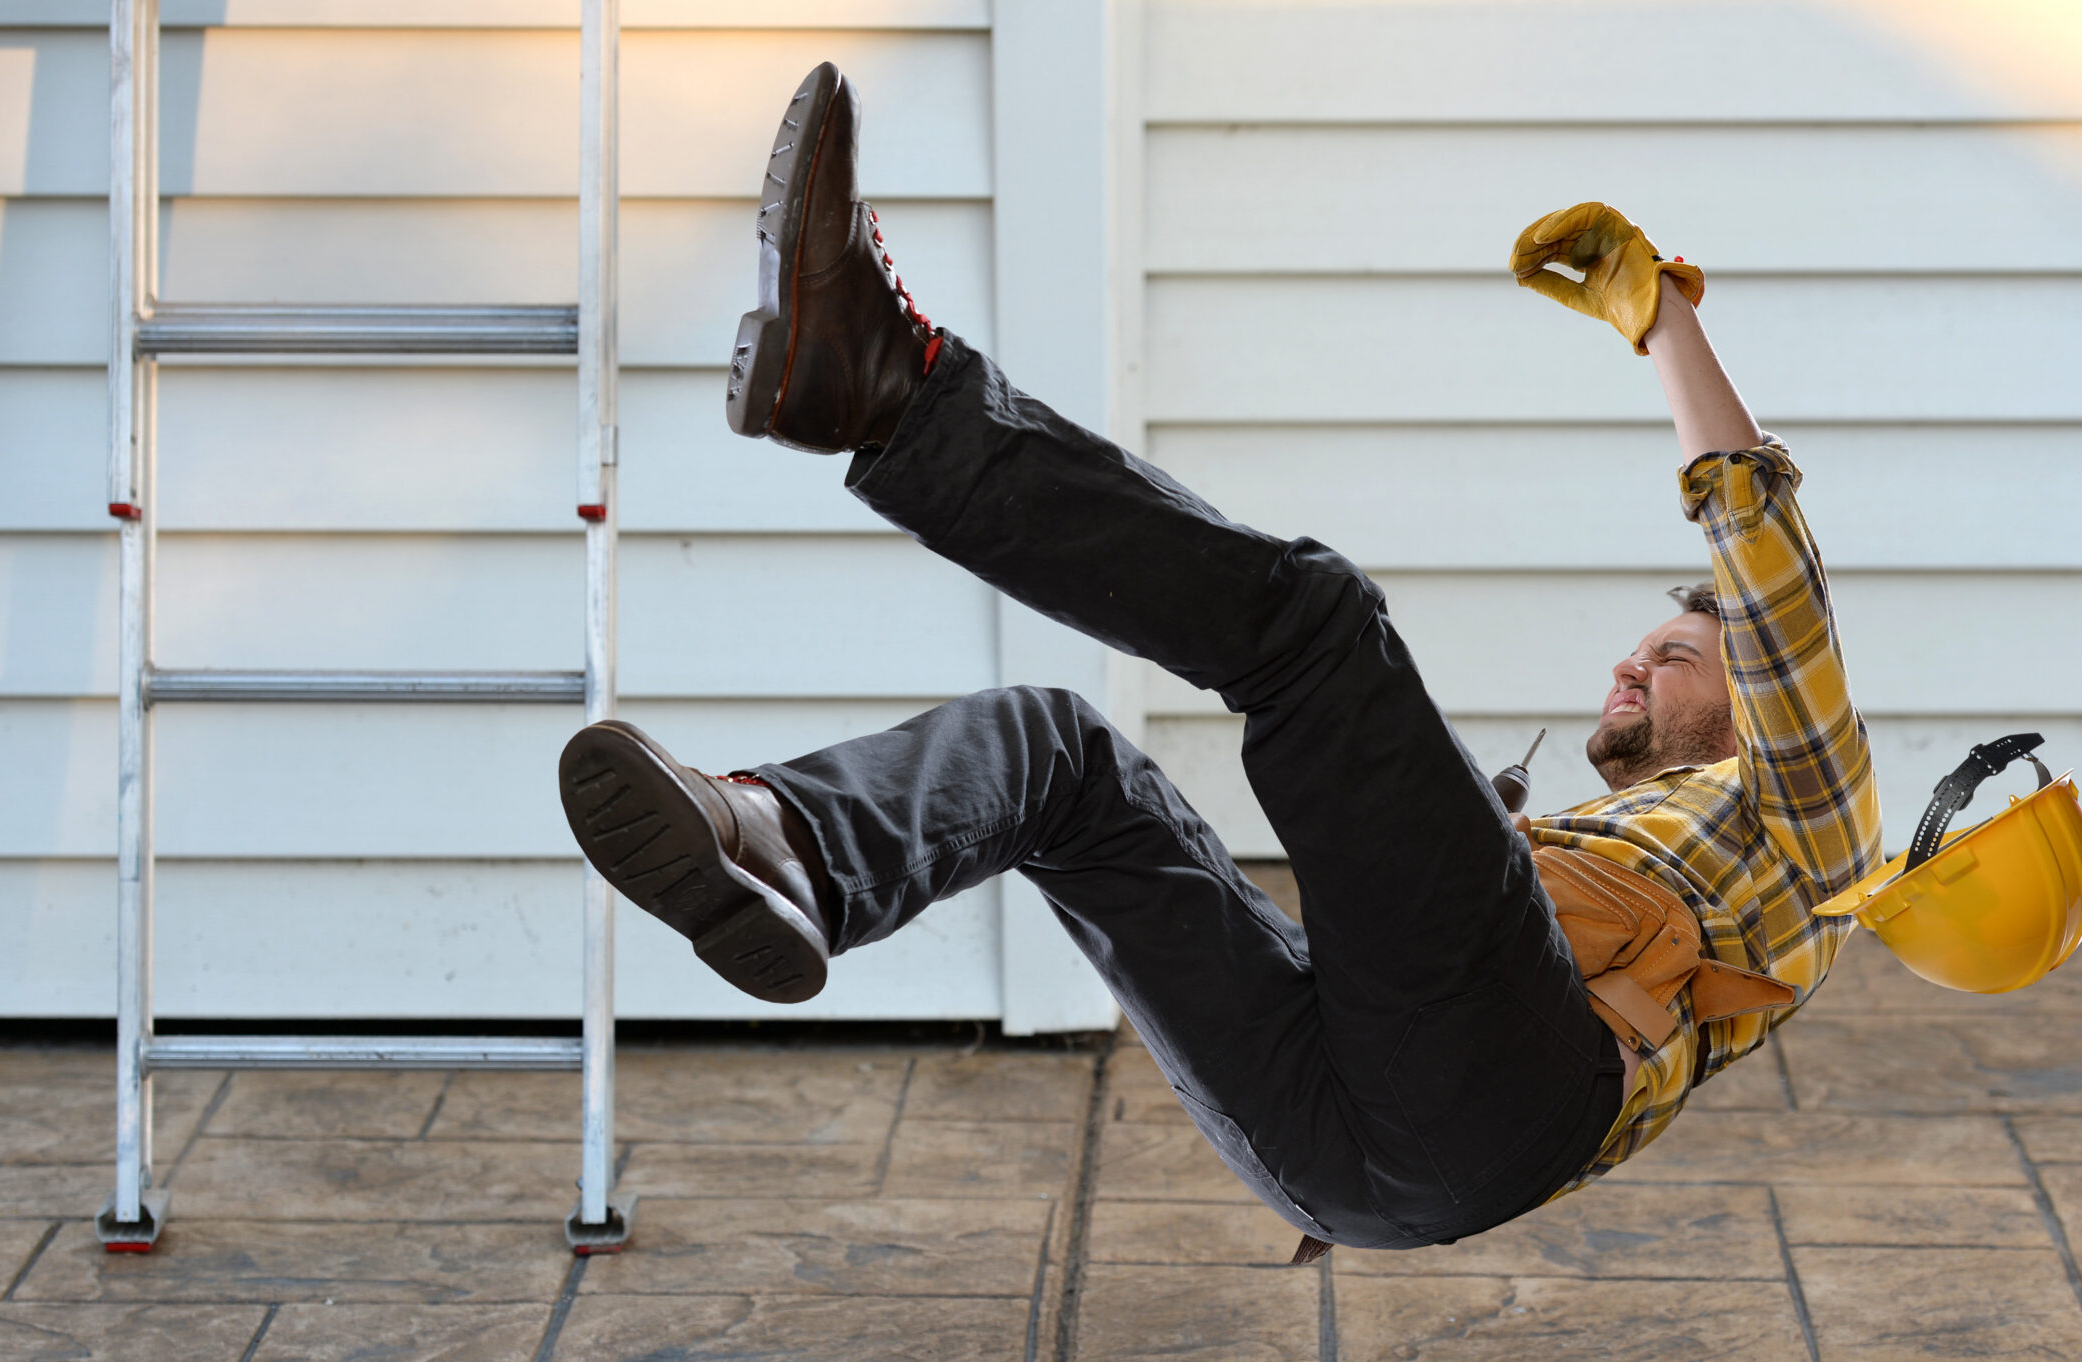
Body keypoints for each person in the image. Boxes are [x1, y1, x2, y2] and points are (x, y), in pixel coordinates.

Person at [558, 63, 1879, 1257]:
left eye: (1677, 655)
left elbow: (1772, 580)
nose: (1634, 667)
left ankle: (886, 390)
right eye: (1643, 647)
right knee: (1057, 760)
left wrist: (1665, 324)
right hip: (1349, 1166)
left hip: (1508, 1099)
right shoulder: (1618, 845)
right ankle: (791, 849)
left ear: (1758, 705)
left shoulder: (1814, 826)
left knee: (1321, 633)